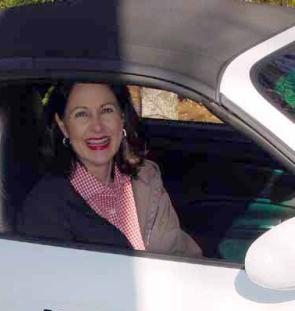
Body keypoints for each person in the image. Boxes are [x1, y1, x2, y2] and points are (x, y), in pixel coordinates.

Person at [18, 82, 201, 257]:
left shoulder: (146, 177)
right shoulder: (45, 209)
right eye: (81, 114)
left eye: (106, 110)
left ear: (122, 117)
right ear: (63, 126)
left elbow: (181, 255)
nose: (97, 127)